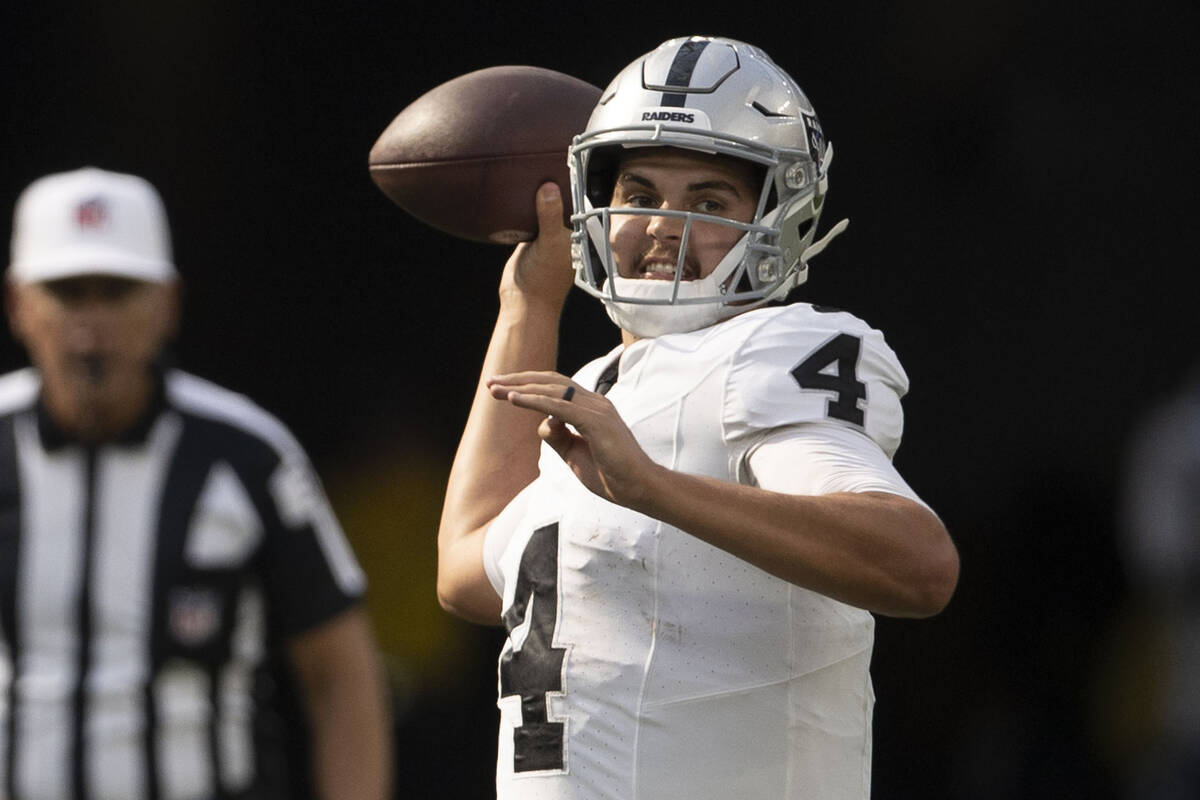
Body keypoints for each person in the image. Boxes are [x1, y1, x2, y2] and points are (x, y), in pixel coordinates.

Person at [436, 35, 959, 799]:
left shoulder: (774, 347)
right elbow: (465, 571)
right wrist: (528, 306)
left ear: (780, 218)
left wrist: (651, 488)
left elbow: (918, 562)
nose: (660, 228)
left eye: (708, 202)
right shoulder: (598, 388)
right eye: (640, 196)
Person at [0, 167, 392, 800]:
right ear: (19, 304)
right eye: (68, 290)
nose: (92, 323)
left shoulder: (245, 453)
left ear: (168, 305)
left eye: (118, 290)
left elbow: (340, 673)